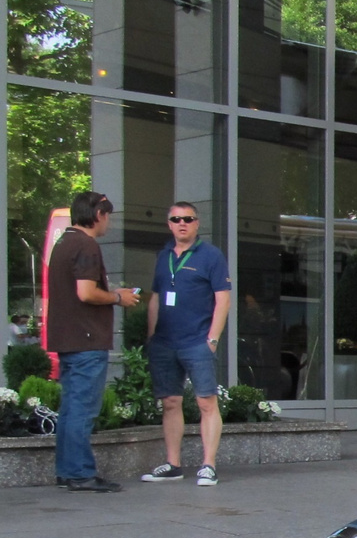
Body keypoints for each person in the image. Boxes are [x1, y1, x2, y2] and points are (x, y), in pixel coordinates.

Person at [44, 191, 138, 492]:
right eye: (108, 215)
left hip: (68, 338)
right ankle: (81, 473)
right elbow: (86, 292)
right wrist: (117, 297)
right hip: (87, 339)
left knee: (71, 408)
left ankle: (67, 471)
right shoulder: (86, 245)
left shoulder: (63, 243)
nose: (108, 221)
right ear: (98, 214)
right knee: (83, 409)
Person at [141, 201, 232, 487]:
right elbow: (155, 296)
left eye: (188, 219)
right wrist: (151, 336)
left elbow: (223, 299)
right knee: (170, 402)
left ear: (197, 224)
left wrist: (212, 340)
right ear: (169, 224)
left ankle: (208, 464)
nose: (182, 223)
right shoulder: (164, 255)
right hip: (165, 342)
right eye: (177, 219)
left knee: (206, 401)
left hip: (197, 341)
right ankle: (173, 464)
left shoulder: (211, 255)